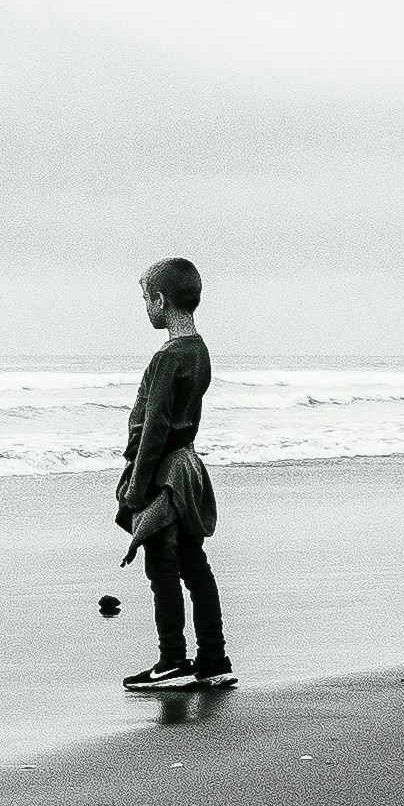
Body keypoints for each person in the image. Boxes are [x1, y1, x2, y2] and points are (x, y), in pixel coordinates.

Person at [117, 256, 230, 691]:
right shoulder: (198, 349)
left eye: (146, 299)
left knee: (162, 565)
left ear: (161, 300)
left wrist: (137, 489)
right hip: (188, 465)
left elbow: (155, 427)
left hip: (165, 472)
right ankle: (214, 658)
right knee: (193, 563)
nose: (145, 307)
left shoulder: (167, 357)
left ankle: (171, 661)